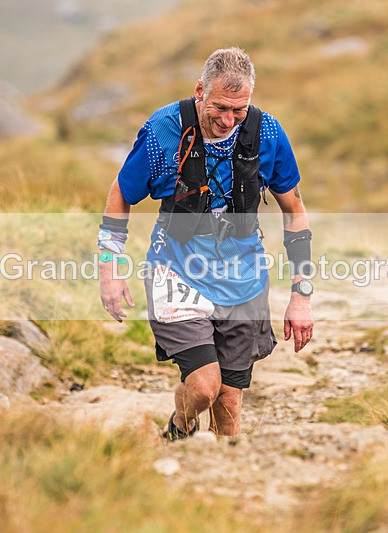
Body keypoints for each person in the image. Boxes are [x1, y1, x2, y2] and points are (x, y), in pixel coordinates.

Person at [98, 47, 313, 438]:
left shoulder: (267, 133)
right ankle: (180, 425)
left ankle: (224, 481)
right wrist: (109, 270)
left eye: (239, 110)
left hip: (244, 277)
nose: (229, 120)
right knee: (202, 388)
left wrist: (302, 295)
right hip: (176, 270)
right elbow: (121, 194)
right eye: (219, 108)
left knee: (228, 402)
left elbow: (294, 211)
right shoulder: (163, 130)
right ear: (200, 90)